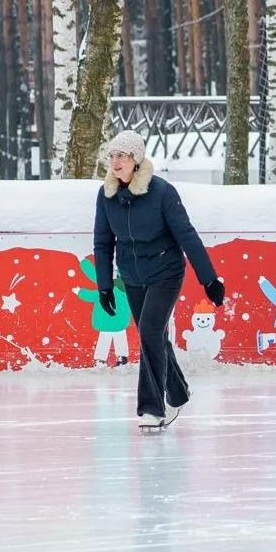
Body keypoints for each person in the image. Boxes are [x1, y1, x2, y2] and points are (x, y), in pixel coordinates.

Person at [93, 131, 223, 428]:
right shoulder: (106, 195)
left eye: (121, 156)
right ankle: (177, 394)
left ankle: (153, 408)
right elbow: (103, 242)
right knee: (153, 336)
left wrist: (209, 279)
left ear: (136, 160)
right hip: (132, 275)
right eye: (112, 155)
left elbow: (187, 235)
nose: (115, 161)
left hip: (166, 272)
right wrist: (104, 286)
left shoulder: (162, 192)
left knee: (150, 332)